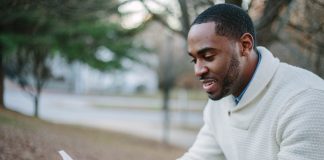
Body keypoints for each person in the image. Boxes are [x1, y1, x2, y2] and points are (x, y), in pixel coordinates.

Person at [177, 3, 324, 160]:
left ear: (245, 46)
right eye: (194, 60)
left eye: (208, 57)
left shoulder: (306, 101)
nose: (198, 71)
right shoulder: (221, 99)